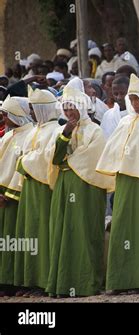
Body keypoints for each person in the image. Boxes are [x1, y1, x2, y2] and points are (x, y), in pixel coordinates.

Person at [96, 74, 139, 295]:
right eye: (132, 99)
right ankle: (120, 279)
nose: (135, 104)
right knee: (123, 228)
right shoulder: (125, 121)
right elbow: (113, 151)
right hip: (125, 181)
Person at [46, 85, 113, 298]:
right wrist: (65, 135)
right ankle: (62, 283)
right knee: (62, 232)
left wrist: (70, 160)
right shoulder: (61, 129)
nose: (68, 113)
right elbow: (54, 158)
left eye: (72, 107)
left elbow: (93, 157)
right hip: (65, 186)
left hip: (86, 187)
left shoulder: (94, 130)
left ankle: (86, 282)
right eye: (65, 108)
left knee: (84, 231)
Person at [13, 89, 61, 297]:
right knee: (29, 232)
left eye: (34, 108)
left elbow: (45, 158)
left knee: (42, 233)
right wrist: (24, 161)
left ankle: (44, 281)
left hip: (43, 186)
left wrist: (24, 162)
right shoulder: (34, 130)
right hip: (30, 186)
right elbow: (23, 155)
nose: (31, 113)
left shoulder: (54, 130)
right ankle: (30, 280)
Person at [0, 97, 34, 297]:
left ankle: (14, 281)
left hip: (15, 196)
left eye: (6, 114)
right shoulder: (7, 136)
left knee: (16, 240)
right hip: (1, 194)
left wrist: (9, 194)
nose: (3, 117)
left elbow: (22, 168)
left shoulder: (29, 135)